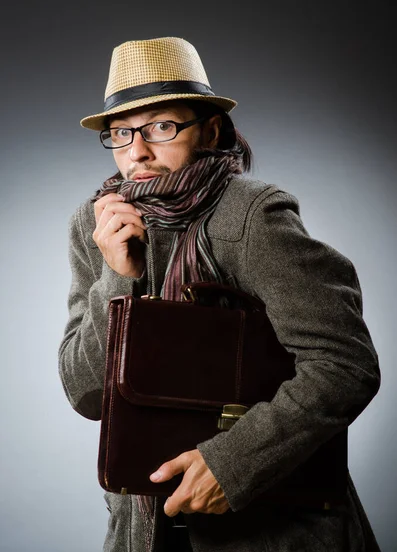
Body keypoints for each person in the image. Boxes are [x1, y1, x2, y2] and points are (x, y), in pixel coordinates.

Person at [58, 36, 382, 552]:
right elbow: (86, 395)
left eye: (161, 126)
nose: (137, 151)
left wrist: (230, 466)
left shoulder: (252, 215)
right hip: (146, 532)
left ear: (209, 131)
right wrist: (118, 276)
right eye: (120, 133)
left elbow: (345, 363)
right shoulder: (96, 224)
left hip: (273, 530)